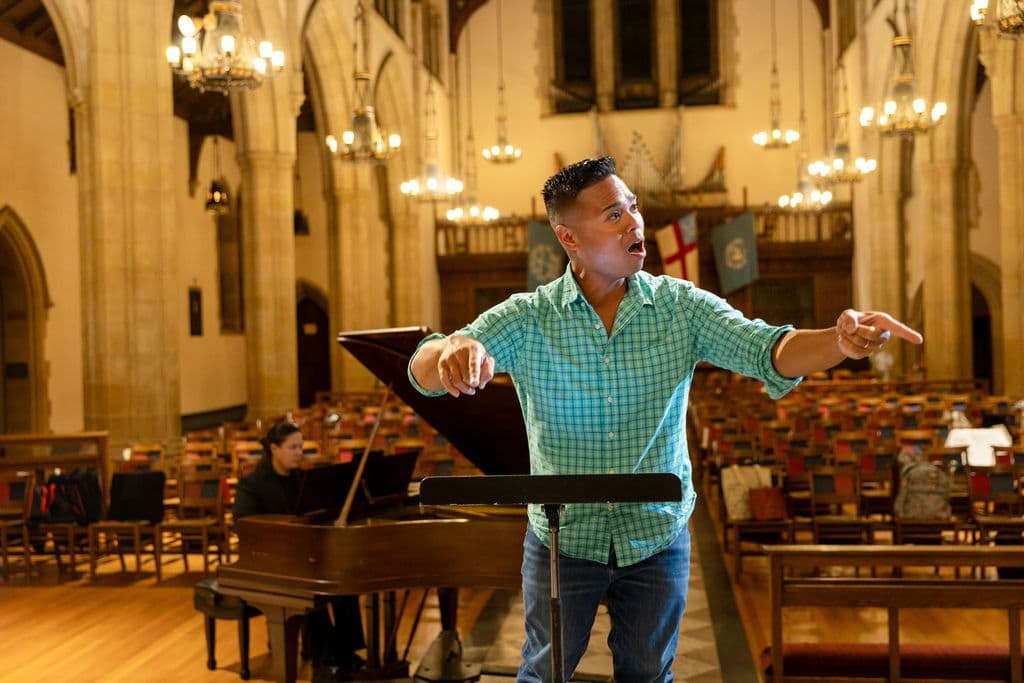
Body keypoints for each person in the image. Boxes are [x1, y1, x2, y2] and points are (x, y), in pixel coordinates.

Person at [407, 157, 923, 682]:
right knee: (544, 673)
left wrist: (839, 342)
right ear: (568, 237)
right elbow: (422, 369)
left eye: (633, 207)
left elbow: (768, 350)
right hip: (564, 540)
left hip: (655, 534)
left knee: (649, 675)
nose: (634, 222)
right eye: (613, 214)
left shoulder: (680, 307)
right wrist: (454, 348)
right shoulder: (528, 317)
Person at [233, 422, 366, 682]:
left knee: (343, 582)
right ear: (274, 449)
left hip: (303, 555)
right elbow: (242, 525)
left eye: (301, 447)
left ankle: (345, 651)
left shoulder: (302, 479)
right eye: (293, 447)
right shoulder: (252, 484)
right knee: (309, 588)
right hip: (268, 560)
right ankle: (324, 657)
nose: (299, 453)